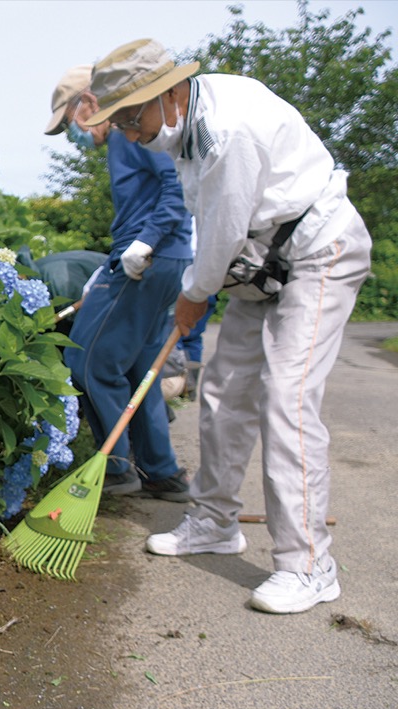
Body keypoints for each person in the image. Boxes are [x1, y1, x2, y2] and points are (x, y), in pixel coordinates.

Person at [86, 39, 372, 613]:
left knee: (286, 399)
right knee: (221, 393)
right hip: (259, 264)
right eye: (115, 119)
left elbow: (222, 224)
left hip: (318, 253)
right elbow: (217, 224)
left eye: (129, 116)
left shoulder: (226, 130)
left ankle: (309, 564)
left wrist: (194, 294)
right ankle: (214, 521)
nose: (124, 130)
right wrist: (206, 281)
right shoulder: (182, 128)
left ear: (166, 94)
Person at [45, 64, 193, 501]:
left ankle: (116, 469)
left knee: (88, 363)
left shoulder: (131, 133)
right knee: (138, 369)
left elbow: (177, 186)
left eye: (69, 120)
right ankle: (161, 472)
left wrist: (143, 243)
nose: (73, 134)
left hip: (146, 261)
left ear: (88, 103)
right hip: (160, 260)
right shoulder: (119, 143)